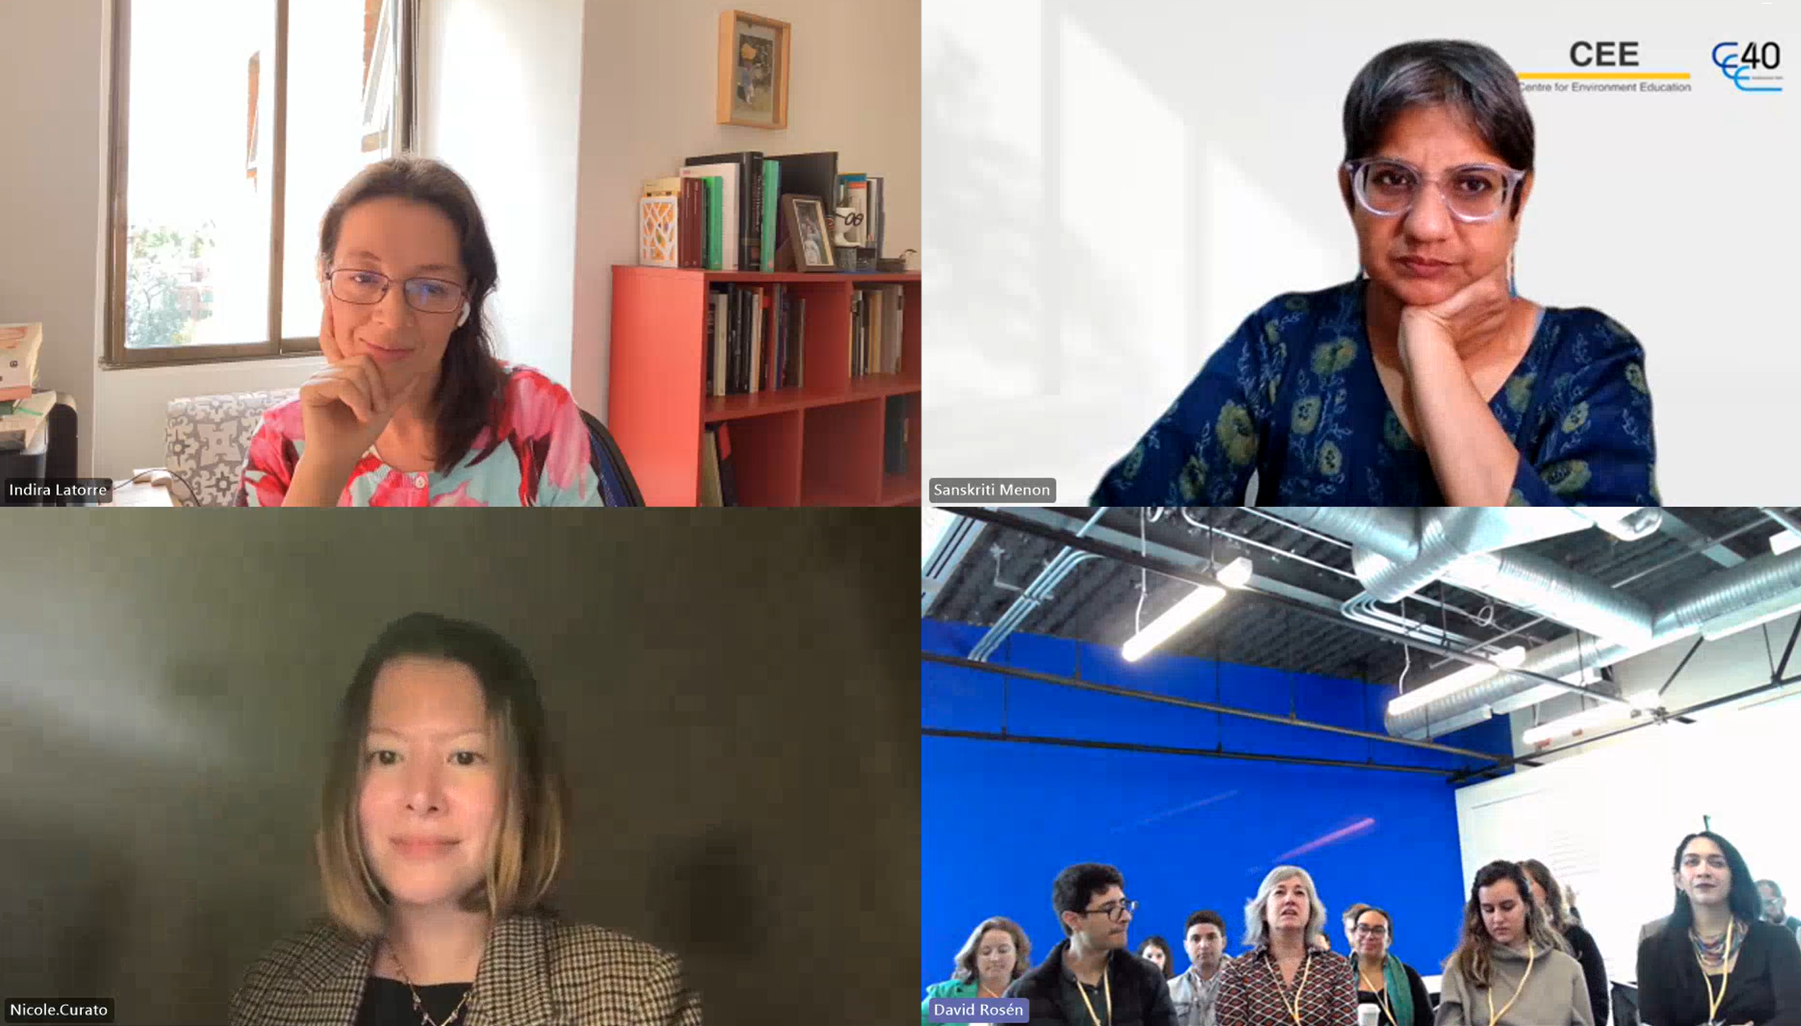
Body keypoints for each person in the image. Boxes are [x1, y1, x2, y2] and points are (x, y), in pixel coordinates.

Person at [1093, 39, 1655, 507]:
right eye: (1392, 179)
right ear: (1350, 193)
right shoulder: (1284, 338)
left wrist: (1430, 351)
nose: (1427, 226)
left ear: (1519, 199)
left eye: (1474, 185)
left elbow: (1572, 568)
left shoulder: (1590, 358)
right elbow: (1137, 505)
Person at [229, 612, 699, 1025]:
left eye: (464, 756)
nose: (421, 796)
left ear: (523, 787)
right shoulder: (276, 985)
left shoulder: (638, 999)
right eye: (387, 755)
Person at [237, 157, 637, 506]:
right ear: (323, 278)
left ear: (466, 302)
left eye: (431, 288)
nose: (393, 319)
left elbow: (593, 589)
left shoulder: (537, 418)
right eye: (362, 277)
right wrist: (325, 465)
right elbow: (253, 594)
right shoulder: (281, 444)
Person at [1636, 832, 1801, 1026]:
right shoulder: (1654, 950)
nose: (1703, 871)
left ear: (1734, 875)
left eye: (1716, 863)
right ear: (1678, 879)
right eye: (1692, 862)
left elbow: (1794, 1016)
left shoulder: (1776, 940)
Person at [1006, 863, 1177, 1026]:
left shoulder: (1147, 978)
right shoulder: (1023, 995)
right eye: (1109, 909)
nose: (1126, 917)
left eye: (1124, 905)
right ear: (1073, 920)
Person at [1436, 860, 1591, 1026]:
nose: (1497, 919)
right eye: (1488, 909)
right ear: (1478, 912)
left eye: (1507, 907)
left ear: (1527, 906)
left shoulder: (1566, 970)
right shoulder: (1461, 969)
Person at [1215, 865, 1357, 1026]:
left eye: (1299, 893)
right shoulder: (1237, 971)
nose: (1289, 900)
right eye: (1279, 892)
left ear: (1311, 911)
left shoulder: (1337, 968)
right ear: (1263, 911)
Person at [1520, 859, 1609, 1026]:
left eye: (1528, 883)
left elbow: (1597, 998)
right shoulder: (1513, 946)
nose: (1524, 892)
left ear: (1546, 889)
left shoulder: (1576, 937)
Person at [922, 916, 1033, 1026]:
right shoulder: (946, 994)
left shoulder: (1033, 996)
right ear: (974, 958)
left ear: (1017, 954)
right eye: (986, 952)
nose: (995, 958)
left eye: (1003, 950)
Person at [1347, 907, 1433, 1026]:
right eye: (1363, 928)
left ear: (1389, 939)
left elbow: (1426, 1022)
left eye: (1378, 930)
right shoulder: (1338, 972)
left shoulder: (1408, 976)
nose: (1369, 936)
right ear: (1353, 934)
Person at [1171, 910, 1231, 1026]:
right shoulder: (1170, 990)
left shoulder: (1243, 984)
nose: (1203, 945)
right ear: (1186, 946)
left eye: (1211, 937)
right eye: (1196, 939)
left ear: (1223, 942)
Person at [1758, 879, 1801, 946]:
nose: (1764, 909)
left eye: (1769, 903)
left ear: (1782, 901)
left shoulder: (1798, 930)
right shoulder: (1755, 932)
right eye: (1759, 905)